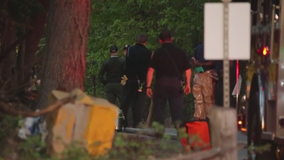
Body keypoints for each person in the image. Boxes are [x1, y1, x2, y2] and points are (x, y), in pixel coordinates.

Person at [146, 30, 192, 128]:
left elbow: (150, 70)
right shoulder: (180, 52)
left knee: (159, 107)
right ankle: (180, 129)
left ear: (160, 41)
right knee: (177, 108)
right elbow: (188, 69)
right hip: (176, 83)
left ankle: (159, 129)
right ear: (171, 39)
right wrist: (188, 84)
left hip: (161, 83)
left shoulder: (158, 53)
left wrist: (148, 86)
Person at [120, 34, 152, 128]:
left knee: (126, 100)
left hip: (130, 78)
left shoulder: (130, 50)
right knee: (139, 102)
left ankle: (123, 121)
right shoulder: (148, 52)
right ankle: (137, 122)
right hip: (142, 80)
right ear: (145, 42)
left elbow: (127, 63)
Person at [191, 43, 218, 120]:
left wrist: (200, 64)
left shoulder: (211, 47)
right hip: (200, 74)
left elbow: (214, 62)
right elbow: (194, 58)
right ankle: (200, 119)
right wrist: (195, 62)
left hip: (207, 73)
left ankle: (208, 120)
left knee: (208, 98)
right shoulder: (199, 47)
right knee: (199, 99)